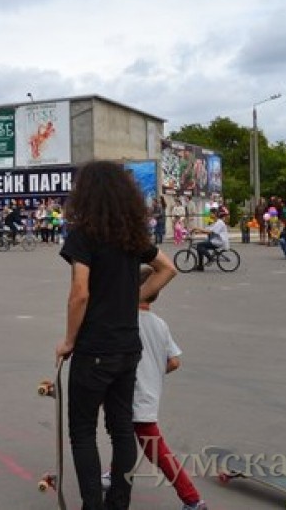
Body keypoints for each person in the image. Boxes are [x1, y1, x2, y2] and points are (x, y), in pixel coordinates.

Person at [56, 161, 176, 510]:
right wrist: (132, 299)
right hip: (128, 349)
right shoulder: (132, 236)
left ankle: (92, 504)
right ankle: (118, 502)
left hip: (94, 347)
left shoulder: (83, 235)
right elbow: (168, 268)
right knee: (121, 428)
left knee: (82, 431)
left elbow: (80, 293)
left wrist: (68, 341)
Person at [129, 266, 206, 510]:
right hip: (149, 394)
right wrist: (152, 372)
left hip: (133, 396)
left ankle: (193, 500)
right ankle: (114, 472)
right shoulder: (159, 324)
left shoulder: (127, 321)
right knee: (123, 436)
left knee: (156, 451)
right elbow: (173, 362)